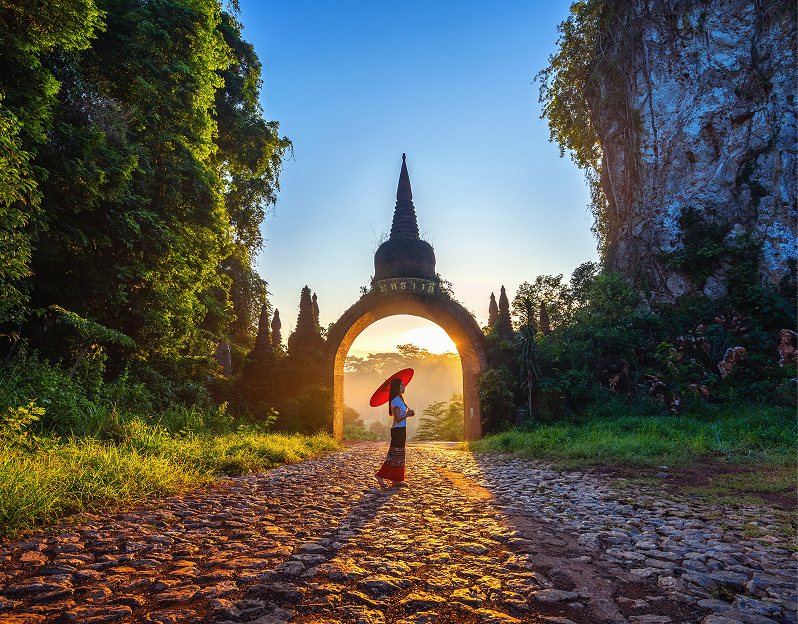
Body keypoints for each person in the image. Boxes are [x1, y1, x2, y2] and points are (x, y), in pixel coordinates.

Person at [375, 378, 415, 488]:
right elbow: (397, 418)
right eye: (401, 385)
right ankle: (380, 475)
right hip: (397, 430)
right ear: (397, 387)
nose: (403, 387)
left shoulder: (400, 399)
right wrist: (408, 414)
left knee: (400, 456)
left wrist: (408, 414)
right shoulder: (395, 401)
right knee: (394, 455)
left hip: (401, 429)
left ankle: (396, 480)